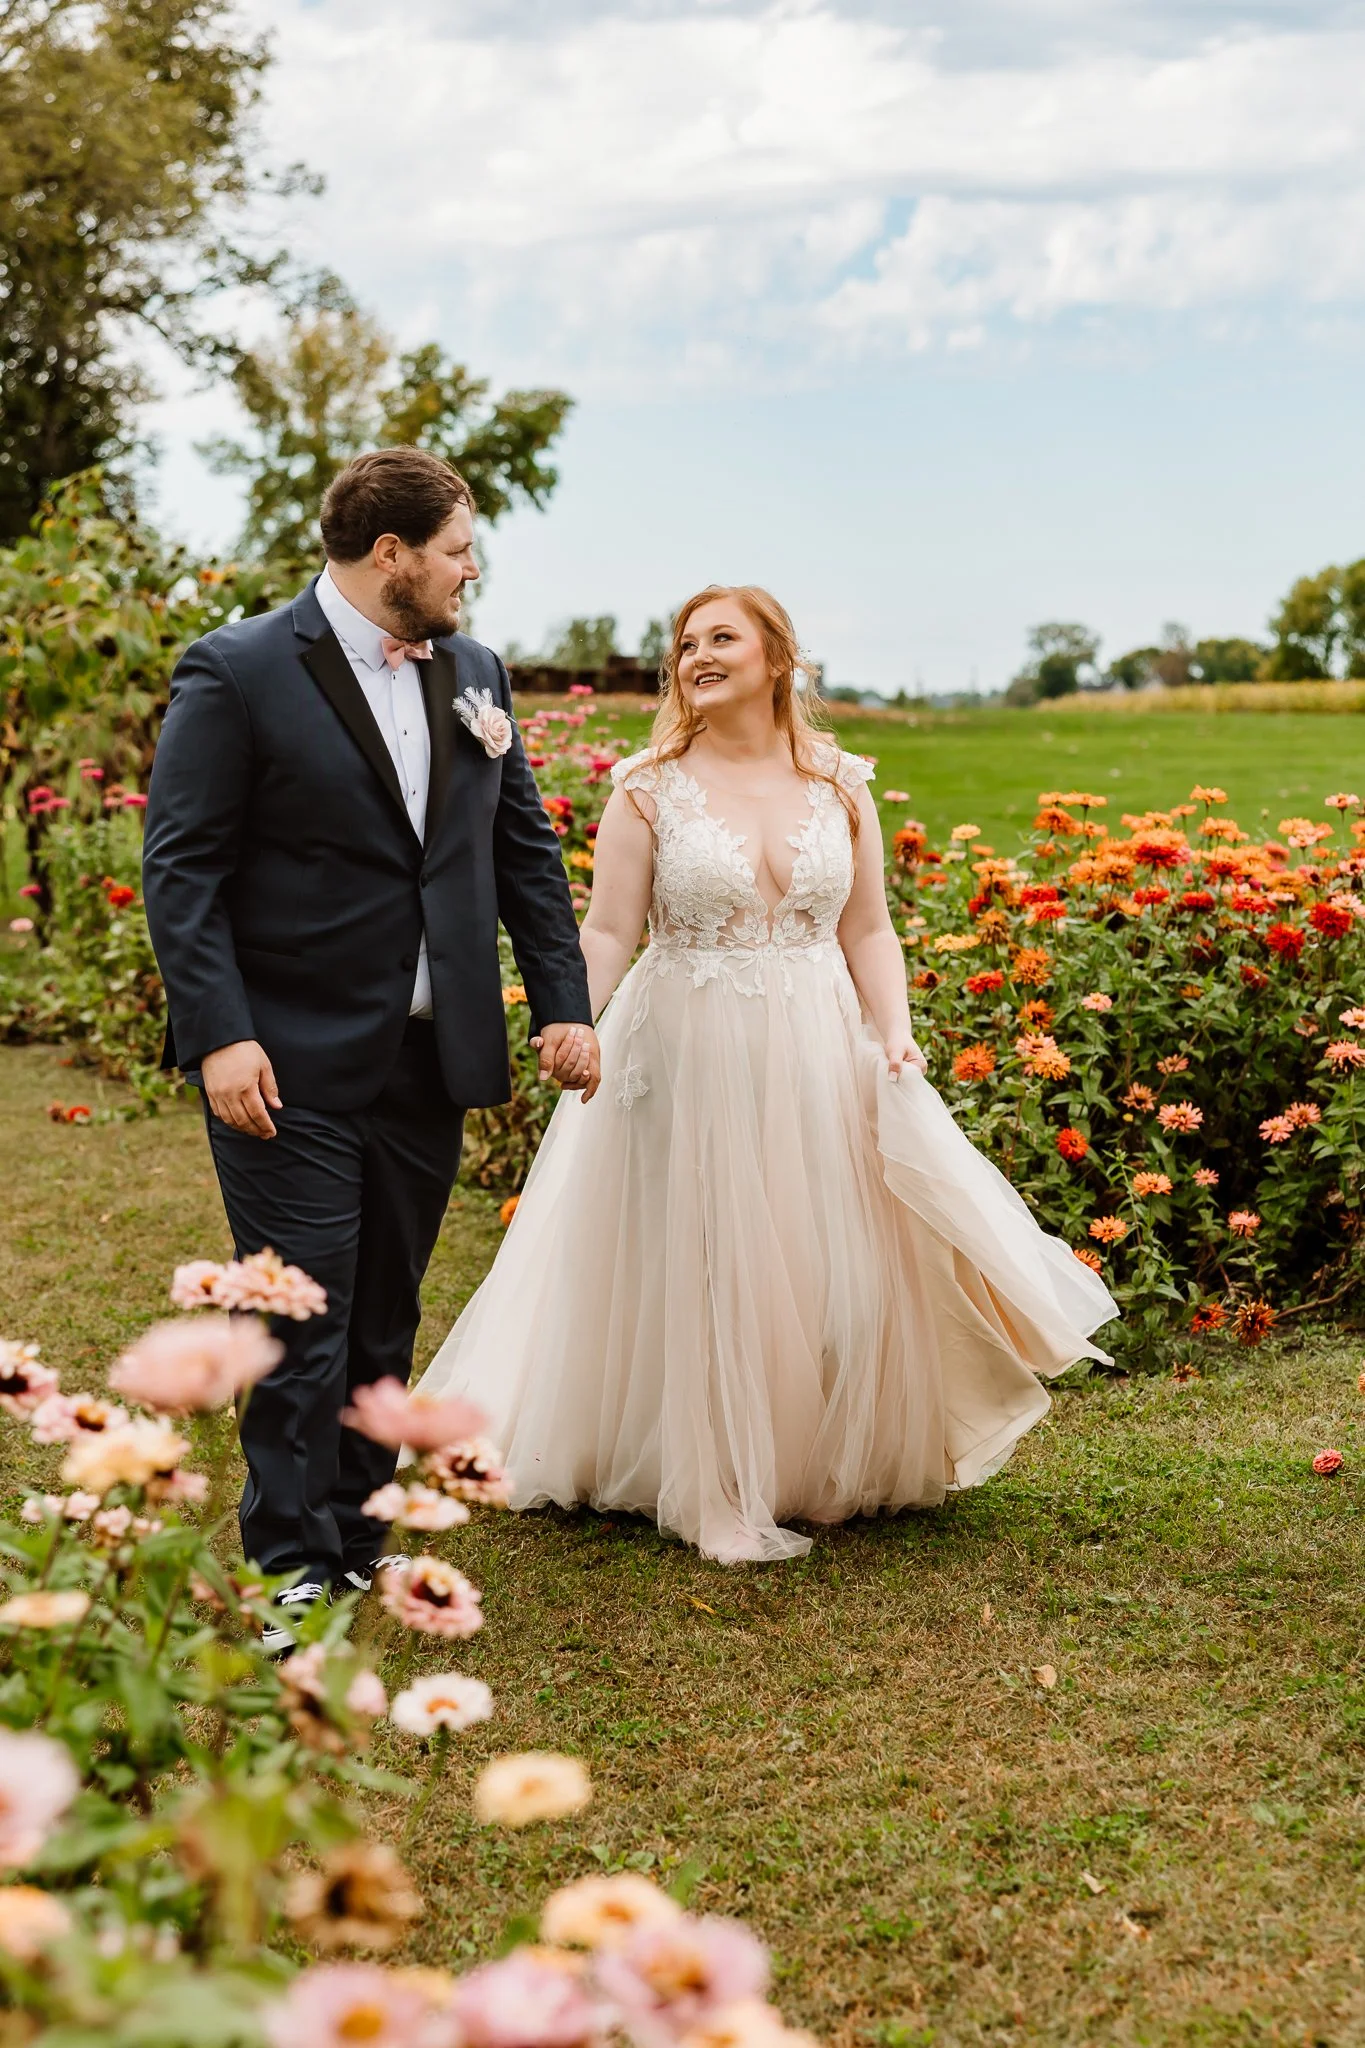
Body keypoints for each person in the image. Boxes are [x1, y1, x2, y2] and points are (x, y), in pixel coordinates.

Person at [415, 584, 1118, 1563]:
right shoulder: (647, 786)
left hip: (818, 1039)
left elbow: (867, 926)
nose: (695, 654)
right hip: (688, 1045)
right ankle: (715, 1492)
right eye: (684, 643)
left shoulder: (840, 782)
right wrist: (574, 1018)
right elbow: (611, 926)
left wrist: (896, 1032)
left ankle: (816, 1464)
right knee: (709, 1257)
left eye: (720, 637)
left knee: (820, 1262)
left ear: (776, 658)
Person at [142, 448, 599, 1648]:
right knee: (304, 1316)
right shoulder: (237, 670)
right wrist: (220, 1034)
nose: (471, 568)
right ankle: (285, 1564)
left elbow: (523, 855)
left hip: (425, 1053)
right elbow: (181, 867)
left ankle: (352, 1540)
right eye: (457, 547)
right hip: (282, 1056)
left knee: (385, 1309)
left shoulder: (476, 670)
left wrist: (564, 1000)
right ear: (390, 554)